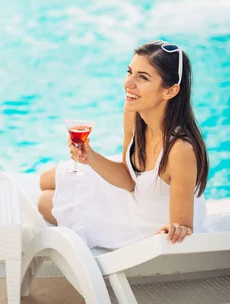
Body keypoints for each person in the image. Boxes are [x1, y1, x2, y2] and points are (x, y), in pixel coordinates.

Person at [38, 40, 209, 249]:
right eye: (130, 72)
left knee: (45, 202)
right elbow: (129, 179)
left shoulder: (180, 150)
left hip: (146, 229)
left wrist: (176, 228)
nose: (128, 83)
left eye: (143, 77)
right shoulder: (133, 114)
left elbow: (182, 227)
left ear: (170, 91)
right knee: (46, 180)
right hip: (136, 199)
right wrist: (89, 156)